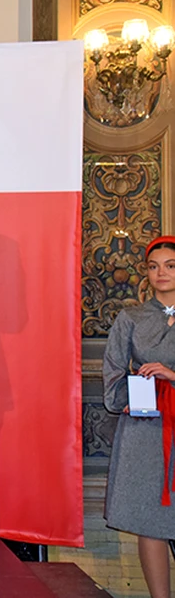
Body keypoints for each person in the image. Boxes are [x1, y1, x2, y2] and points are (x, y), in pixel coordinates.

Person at [104, 236, 175, 598]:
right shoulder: (130, 317)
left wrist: (171, 374)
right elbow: (114, 369)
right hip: (146, 429)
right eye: (153, 266)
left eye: (170, 265)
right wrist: (124, 400)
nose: (161, 273)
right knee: (151, 520)